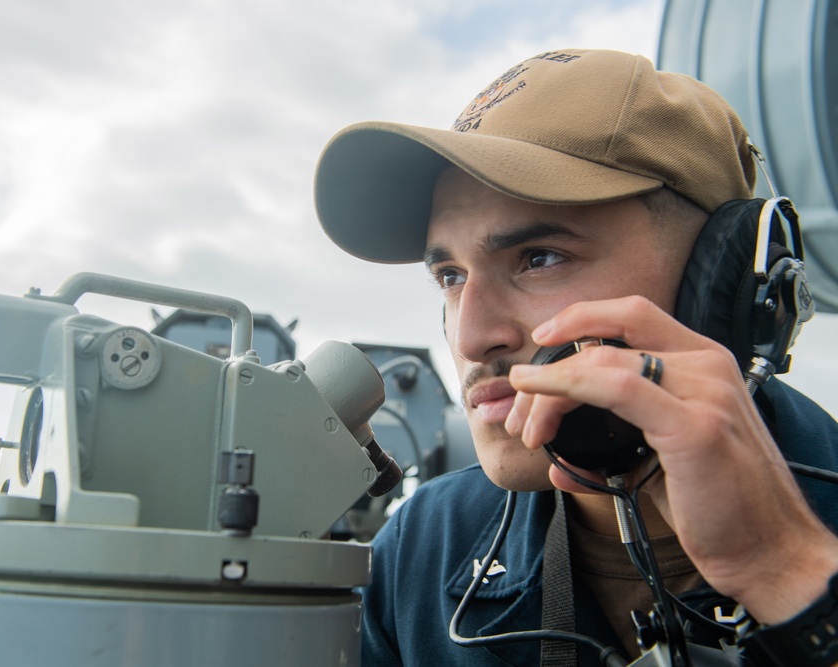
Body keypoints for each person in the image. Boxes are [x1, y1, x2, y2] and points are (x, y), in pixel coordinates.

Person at [313, 49, 838, 666]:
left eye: (539, 257)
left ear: (722, 290)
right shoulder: (426, 544)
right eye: (451, 276)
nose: (471, 337)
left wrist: (786, 568)